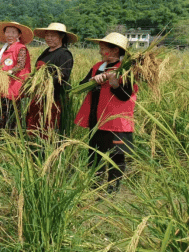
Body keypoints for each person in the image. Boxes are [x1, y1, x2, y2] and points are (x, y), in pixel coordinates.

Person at [74, 33, 137, 192]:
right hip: (96, 119)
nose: (101, 52)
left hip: (117, 122)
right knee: (95, 154)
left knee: (116, 155)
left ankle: (113, 188)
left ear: (116, 50)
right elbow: (82, 84)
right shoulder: (98, 67)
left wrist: (115, 84)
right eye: (101, 49)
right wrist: (92, 80)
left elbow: (126, 95)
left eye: (104, 49)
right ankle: (94, 186)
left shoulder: (127, 69)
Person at [27, 22, 78, 136]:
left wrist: (44, 81)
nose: (49, 38)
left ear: (61, 37)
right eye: (47, 35)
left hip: (52, 99)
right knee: (34, 126)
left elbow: (63, 76)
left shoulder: (64, 54)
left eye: (52, 36)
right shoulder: (46, 51)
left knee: (47, 127)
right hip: (39, 96)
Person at [0, 21, 34, 128]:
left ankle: (13, 134)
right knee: (1, 111)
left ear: (19, 35)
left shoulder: (21, 48)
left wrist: (9, 72)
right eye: (8, 32)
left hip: (15, 85)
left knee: (12, 111)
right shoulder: (3, 49)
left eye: (13, 32)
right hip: (3, 84)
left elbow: (21, 65)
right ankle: (0, 133)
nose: (10, 35)